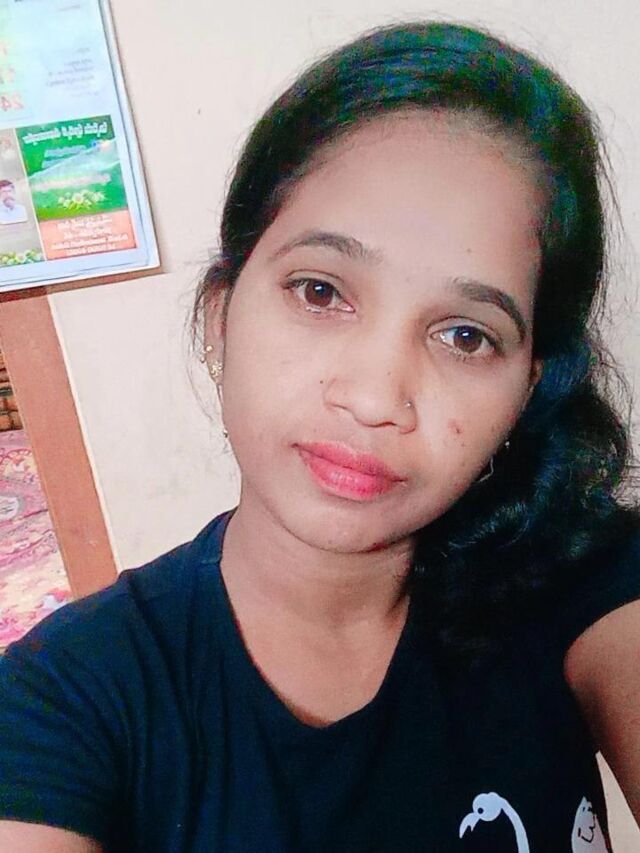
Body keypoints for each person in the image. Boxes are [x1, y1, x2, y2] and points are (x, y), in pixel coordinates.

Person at [0, 19, 639, 853]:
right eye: (320, 291)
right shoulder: (62, 703)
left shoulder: (584, 579)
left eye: (465, 335)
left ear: (525, 391)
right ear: (220, 317)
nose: (374, 398)